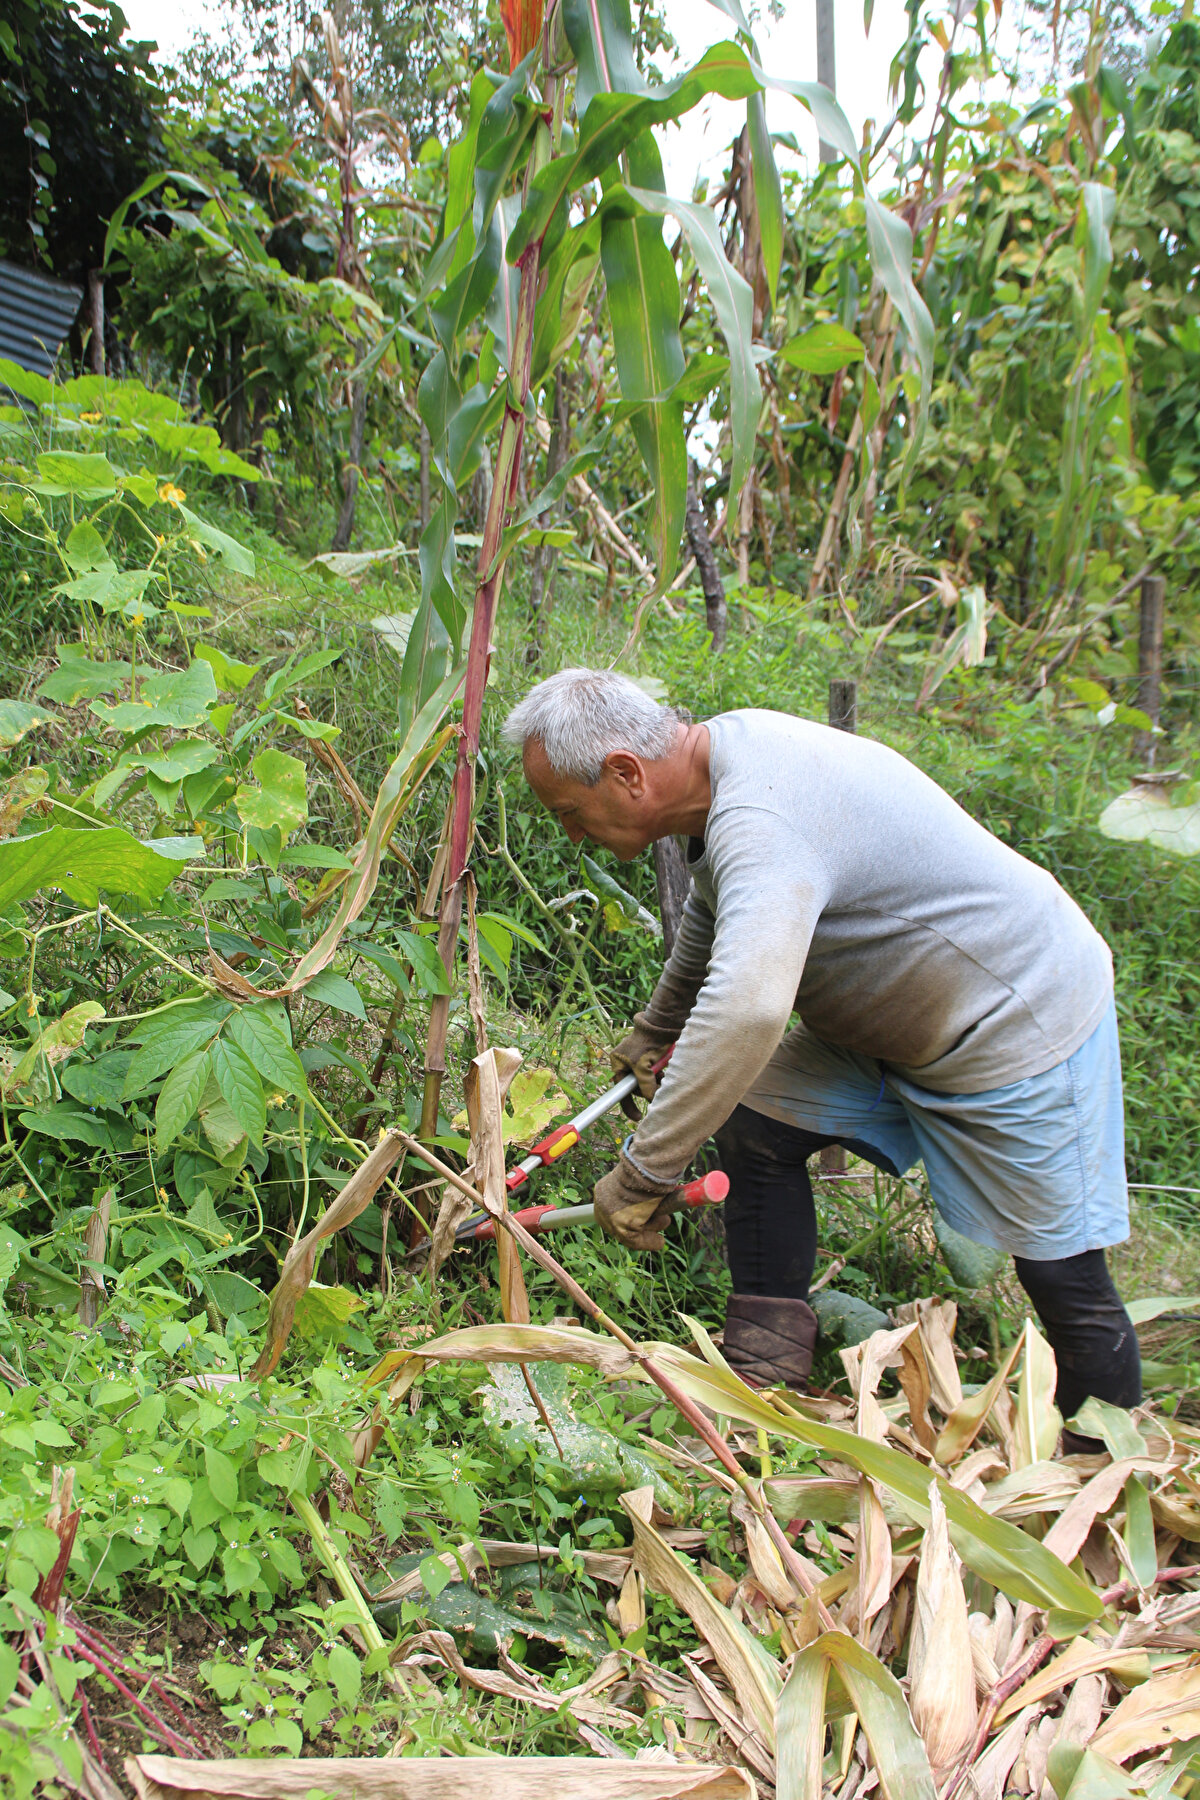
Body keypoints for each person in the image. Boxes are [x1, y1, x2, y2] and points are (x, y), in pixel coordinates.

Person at [502, 667, 1141, 1446]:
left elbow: (749, 1011)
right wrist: (656, 1027)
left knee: (1060, 1270)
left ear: (626, 773)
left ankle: (1102, 1467)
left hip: (1016, 1017)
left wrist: (645, 1173)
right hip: (892, 1029)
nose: (572, 834)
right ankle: (764, 1382)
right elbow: (711, 908)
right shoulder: (724, 763)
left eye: (570, 813)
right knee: (753, 1121)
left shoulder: (761, 816)